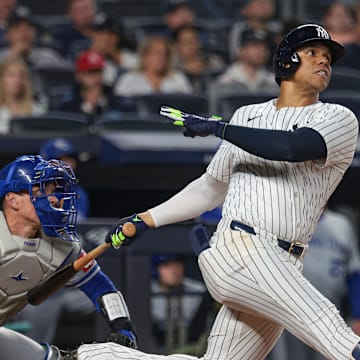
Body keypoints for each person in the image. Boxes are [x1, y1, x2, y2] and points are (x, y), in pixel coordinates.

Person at [76, 23, 360, 360]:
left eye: (328, 56)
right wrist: (145, 219)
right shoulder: (248, 115)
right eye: (313, 52)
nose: (323, 61)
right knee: (330, 328)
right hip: (241, 249)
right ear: (286, 61)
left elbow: (290, 147)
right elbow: (210, 188)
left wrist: (218, 128)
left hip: (284, 263)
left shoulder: (338, 117)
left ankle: (95, 357)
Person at [0, 155, 137, 359]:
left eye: (53, 191)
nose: (53, 198)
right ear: (13, 200)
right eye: (40, 191)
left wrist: (123, 326)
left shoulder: (63, 247)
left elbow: (99, 286)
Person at [281, 207, 360, 360]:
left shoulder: (341, 225)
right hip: (291, 316)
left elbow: (354, 274)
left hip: (333, 316)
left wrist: (358, 315)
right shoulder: (284, 223)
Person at [151, 254, 208, 354]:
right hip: (156, 345)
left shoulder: (198, 290)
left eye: (177, 265)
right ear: (157, 269)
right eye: (167, 266)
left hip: (190, 345)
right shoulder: (147, 291)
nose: (173, 271)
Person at [59, 49, 128, 120]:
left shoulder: (114, 99)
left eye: (98, 71)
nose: (96, 76)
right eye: (90, 72)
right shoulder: (69, 104)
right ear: (78, 75)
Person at [113, 36, 193, 97]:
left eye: (164, 54)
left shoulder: (178, 80)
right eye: (155, 53)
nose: (160, 58)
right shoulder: (129, 80)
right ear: (144, 56)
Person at [0, 5, 70, 68]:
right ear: (7, 35)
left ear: (35, 33)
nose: (24, 32)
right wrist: (13, 56)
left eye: (29, 27)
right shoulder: (1, 57)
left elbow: (69, 73)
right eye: (17, 27)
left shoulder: (48, 56)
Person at [215, 27, 278, 95]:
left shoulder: (274, 82)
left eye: (265, 47)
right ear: (240, 50)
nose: (261, 51)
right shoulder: (225, 83)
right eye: (255, 46)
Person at [40, 137, 90, 219]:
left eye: (69, 158)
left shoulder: (79, 193)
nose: (66, 164)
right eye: (59, 160)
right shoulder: (34, 191)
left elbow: (78, 225)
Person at [88, 13, 139, 90]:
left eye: (100, 33)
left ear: (114, 37)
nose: (95, 37)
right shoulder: (91, 60)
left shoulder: (134, 58)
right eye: (95, 32)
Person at [172, 24, 225, 95]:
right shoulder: (171, 63)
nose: (192, 46)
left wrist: (206, 69)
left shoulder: (211, 60)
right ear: (177, 46)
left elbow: (223, 74)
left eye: (195, 40)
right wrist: (185, 69)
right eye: (186, 42)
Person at [0, 57, 46, 134]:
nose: (17, 80)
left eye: (21, 76)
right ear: (2, 79)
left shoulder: (36, 110)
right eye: (11, 75)